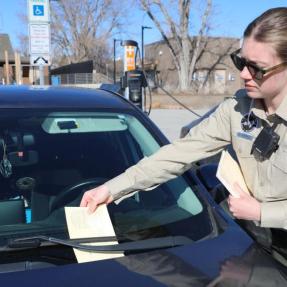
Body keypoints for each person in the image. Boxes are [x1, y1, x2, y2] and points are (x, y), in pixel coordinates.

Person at [81, 7, 287, 253]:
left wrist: (262, 212)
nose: (243, 73)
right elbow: (180, 153)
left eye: (257, 68)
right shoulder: (237, 109)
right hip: (255, 241)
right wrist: (111, 189)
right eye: (240, 61)